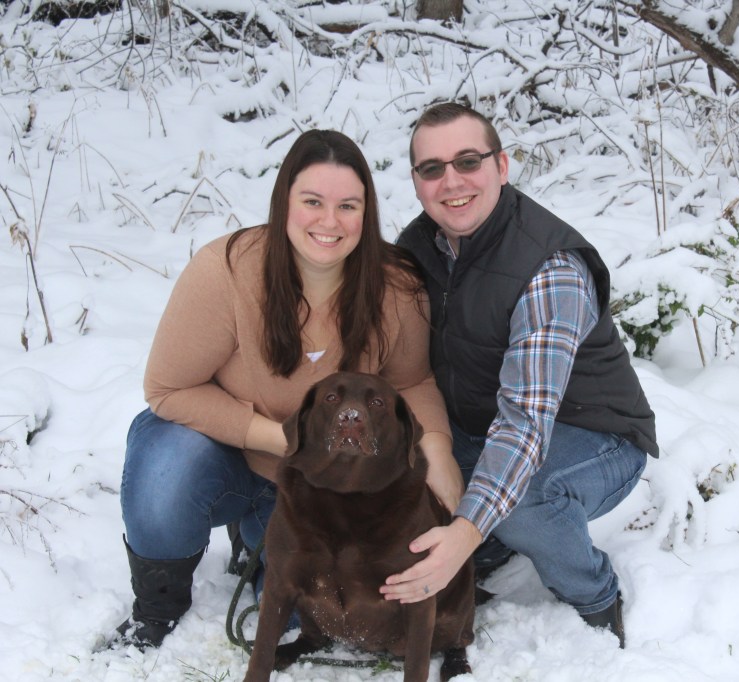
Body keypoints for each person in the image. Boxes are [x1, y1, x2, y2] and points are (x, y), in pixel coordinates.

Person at [111, 129, 463, 650]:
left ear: (366, 212)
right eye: (313, 202)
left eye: (348, 206)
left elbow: (412, 380)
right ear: (284, 203)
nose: (330, 221)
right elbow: (167, 389)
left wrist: (437, 449)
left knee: (311, 620)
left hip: (322, 487)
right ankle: (158, 605)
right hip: (227, 456)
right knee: (167, 465)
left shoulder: (394, 285)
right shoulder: (226, 271)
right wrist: (283, 440)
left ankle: (258, 548)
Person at [383, 102, 659, 648]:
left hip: (594, 436)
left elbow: (525, 425)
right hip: (479, 424)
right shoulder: (417, 248)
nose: (451, 181)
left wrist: (466, 529)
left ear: (502, 166)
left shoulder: (548, 267)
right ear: (416, 182)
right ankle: (491, 543)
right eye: (432, 168)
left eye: (468, 161)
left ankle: (594, 595)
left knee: (524, 498)